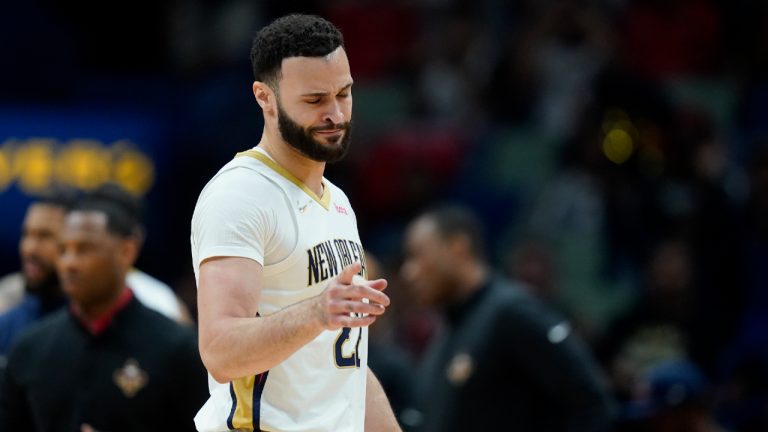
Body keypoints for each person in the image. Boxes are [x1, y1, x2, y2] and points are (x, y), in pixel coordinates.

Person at [190, 14, 398, 432]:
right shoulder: (239, 195)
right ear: (265, 97)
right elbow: (220, 352)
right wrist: (317, 313)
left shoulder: (337, 202)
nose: (335, 113)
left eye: (344, 93)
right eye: (315, 100)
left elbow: (344, 368)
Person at [0, 189, 209, 431]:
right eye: (63, 250)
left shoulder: (177, 348)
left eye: (84, 249)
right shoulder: (28, 349)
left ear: (126, 251)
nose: (69, 263)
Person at [400, 205, 614, 432]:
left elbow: (592, 405)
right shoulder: (446, 333)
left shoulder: (511, 312)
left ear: (458, 247)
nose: (408, 272)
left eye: (417, 255)